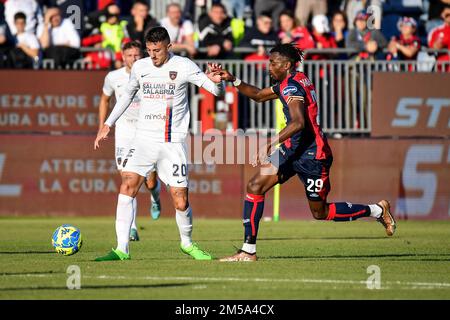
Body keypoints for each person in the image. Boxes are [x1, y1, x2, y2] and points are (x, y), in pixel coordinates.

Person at [215, 43, 396, 262]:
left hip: (313, 156)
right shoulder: (293, 80)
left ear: (287, 65)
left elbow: (299, 122)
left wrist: (269, 143)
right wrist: (233, 79)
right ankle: (248, 251)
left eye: (273, 63)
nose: (269, 67)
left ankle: (377, 210)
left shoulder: (291, 86)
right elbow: (259, 95)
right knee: (255, 186)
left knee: (320, 213)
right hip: (292, 150)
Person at [93, 26, 225, 261]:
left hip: (172, 143)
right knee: (128, 185)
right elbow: (127, 95)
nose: (152, 55)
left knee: (180, 199)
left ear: (169, 47)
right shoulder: (141, 67)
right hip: (143, 140)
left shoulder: (183, 65)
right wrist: (108, 124)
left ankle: (187, 243)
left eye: (157, 50)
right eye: (149, 50)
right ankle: (121, 249)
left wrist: (218, 81)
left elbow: (214, 90)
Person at [97, 40, 162, 241]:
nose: (133, 59)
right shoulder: (113, 77)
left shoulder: (150, 72)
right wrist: (103, 125)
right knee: (127, 181)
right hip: (124, 134)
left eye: (137, 55)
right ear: (123, 57)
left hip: (146, 131)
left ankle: (155, 197)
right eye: (130, 55)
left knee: (150, 180)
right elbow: (104, 99)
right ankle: (132, 228)